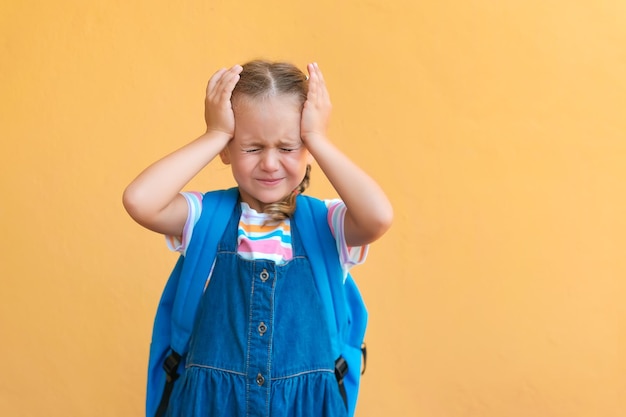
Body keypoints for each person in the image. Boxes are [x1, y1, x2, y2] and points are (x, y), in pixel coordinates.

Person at [123, 60, 393, 417]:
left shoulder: (326, 225)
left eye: (287, 147)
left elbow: (379, 216)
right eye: (252, 148)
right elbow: (139, 200)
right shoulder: (205, 219)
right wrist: (214, 134)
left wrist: (317, 138)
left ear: (308, 150)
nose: (269, 163)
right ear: (227, 150)